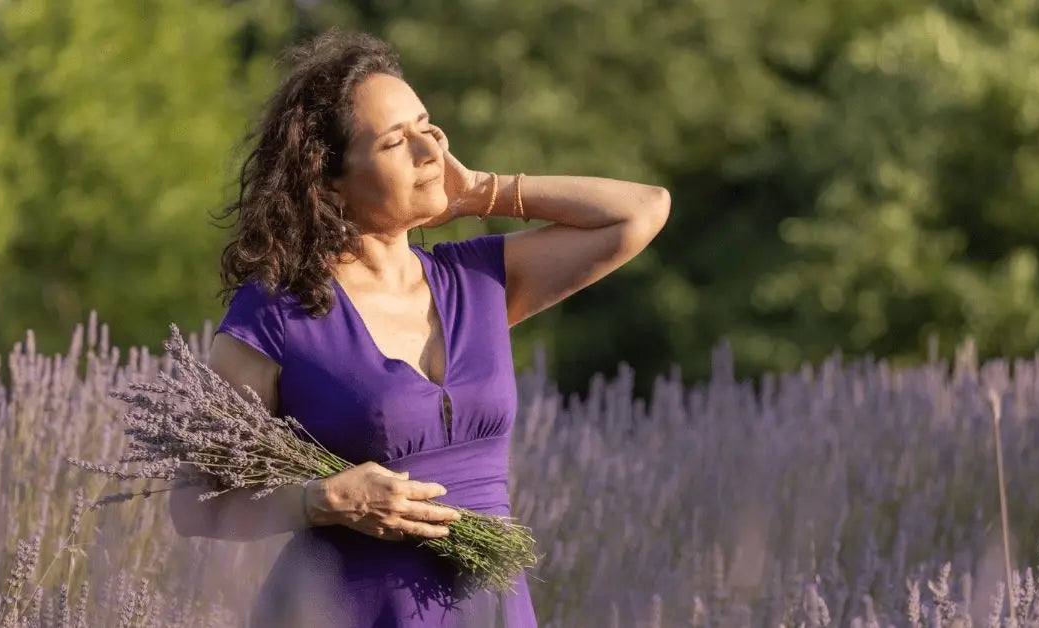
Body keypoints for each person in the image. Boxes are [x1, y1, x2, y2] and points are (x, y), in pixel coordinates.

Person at [165, 29, 669, 627]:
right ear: (328, 179)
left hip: (489, 608)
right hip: (343, 609)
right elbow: (194, 502)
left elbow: (642, 210)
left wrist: (483, 191)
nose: (428, 151)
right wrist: (321, 500)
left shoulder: (479, 281)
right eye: (395, 142)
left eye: (428, 127)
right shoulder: (277, 313)